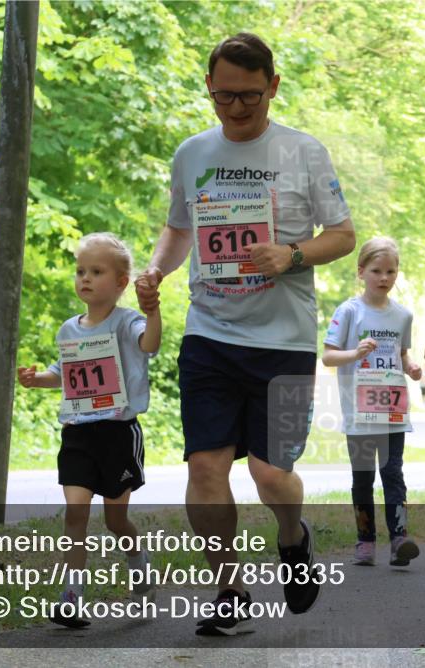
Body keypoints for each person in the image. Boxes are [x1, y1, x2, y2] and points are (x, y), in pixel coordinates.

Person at [134, 33, 355, 636]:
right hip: (210, 335)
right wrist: (156, 270)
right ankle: (228, 586)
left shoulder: (303, 152)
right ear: (209, 89)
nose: (236, 109)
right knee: (205, 469)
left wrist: (291, 254)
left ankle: (292, 536)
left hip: (282, 343)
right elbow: (179, 228)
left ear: (273, 87)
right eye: (224, 96)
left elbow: (343, 235)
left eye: (249, 98)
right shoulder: (191, 154)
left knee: (270, 474)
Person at [18, 232, 162, 628]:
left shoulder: (127, 321)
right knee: (75, 512)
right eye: (81, 270)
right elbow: (62, 374)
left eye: (96, 272)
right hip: (78, 432)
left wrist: (153, 312)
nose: (85, 278)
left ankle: (139, 565)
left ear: (119, 283)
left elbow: (149, 344)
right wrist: (37, 379)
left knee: (116, 521)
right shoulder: (69, 330)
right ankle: (71, 595)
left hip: (117, 433)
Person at [322, 237, 423, 567]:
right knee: (363, 476)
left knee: (393, 472)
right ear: (361, 272)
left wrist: (411, 366)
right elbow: (328, 357)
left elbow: (403, 353)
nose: (384, 277)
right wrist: (356, 353)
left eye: (391, 271)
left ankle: (399, 539)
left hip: (392, 409)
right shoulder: (349, 311)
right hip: (360, 412)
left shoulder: (403, 316)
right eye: (377, 270)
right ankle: (365, 541)